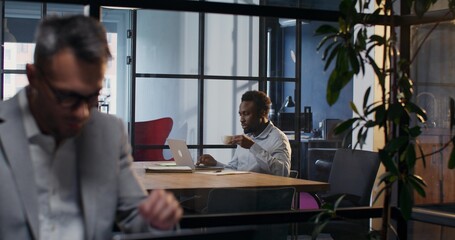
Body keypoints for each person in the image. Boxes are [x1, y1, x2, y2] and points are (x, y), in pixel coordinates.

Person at [0, 15, 182, 240]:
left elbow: (135, 214)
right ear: (33, 77)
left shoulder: (109, 132)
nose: (83, 113)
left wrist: (157, 221)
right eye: (67, 97)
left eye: (92, 96)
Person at [197, 90, 291, 176]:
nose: (241, 120)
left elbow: (283, 173)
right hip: (242, 189)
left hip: (263, 192)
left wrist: (252, 146)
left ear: (262, 113)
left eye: (246, 114)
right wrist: (215, 163)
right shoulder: (247, 137)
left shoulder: (278, 138)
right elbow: (234, 169)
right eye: (240, 114)